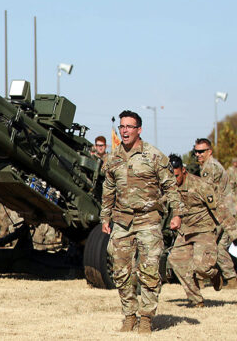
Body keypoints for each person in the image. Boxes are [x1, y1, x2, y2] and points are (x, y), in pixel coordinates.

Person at [101, 110, 184, 334]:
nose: (125, 130)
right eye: (122, 127)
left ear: (139, 129)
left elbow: (171, 187)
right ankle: (129, 315)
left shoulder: (154, 156)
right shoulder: (113, 158)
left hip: (148, 221)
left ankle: (146, 317)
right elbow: (108, 190)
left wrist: (177, 214)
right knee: (120, 270)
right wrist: (105, 217)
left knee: (148, 270)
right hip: (121, 222)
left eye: (129, 126)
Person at [167, 154, 237, 306]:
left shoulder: (200, 186)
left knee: (201, 267)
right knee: (175, 260)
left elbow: (220, 209)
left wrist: (234, 234)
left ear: (183, 171)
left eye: (177, 176)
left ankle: (215, 274)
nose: (174, 180)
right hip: (185, 231)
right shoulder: (170, 187)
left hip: (204, 230)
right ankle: (196, 300)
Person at [194, 137, 237, 289]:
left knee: (206, 244)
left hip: (222, 214)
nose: (198, 154)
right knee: (218, 247)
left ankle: (201, 279)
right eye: (196, 151)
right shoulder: (212, 165)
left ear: (209, 151)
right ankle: (231, 280)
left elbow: (206, 193)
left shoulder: (209, 168)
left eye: (201, 151)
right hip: (226, 212)